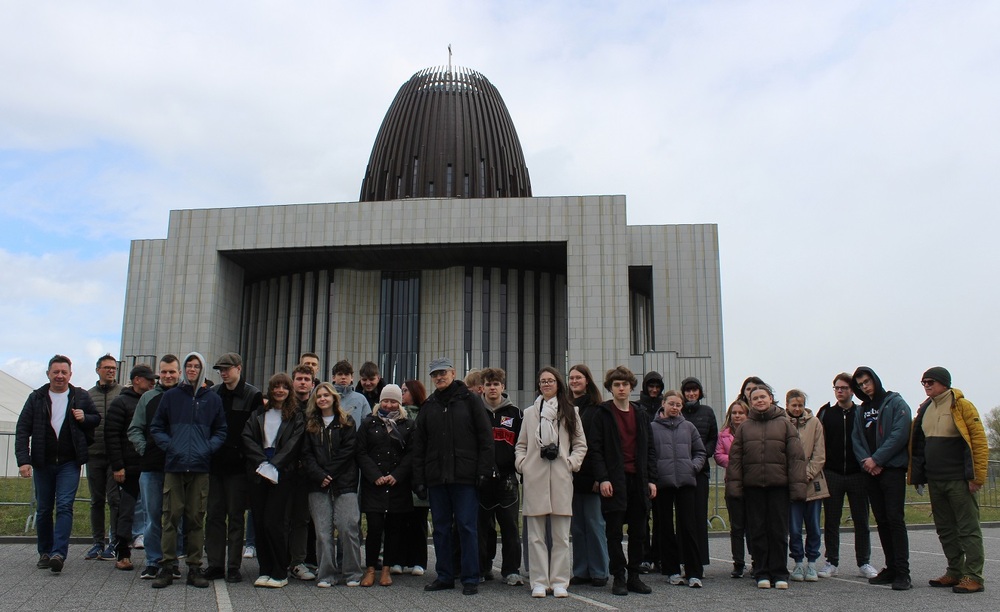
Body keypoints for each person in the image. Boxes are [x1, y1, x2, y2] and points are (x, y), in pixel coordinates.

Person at [412, 358, 495, 596]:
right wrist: (419, 478)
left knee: (467, 527)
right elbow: (419, 446)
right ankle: (445, 576)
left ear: (453, 373)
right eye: (435, 374)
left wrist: (483, 471)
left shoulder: (470, 402)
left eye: (443, 373)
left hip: (466, 478)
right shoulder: (429, 406)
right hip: (437, 479)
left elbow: (485, 438)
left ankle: (470, 578)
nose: (439, 377)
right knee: (440, 529)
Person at [15, 355, 101, 573]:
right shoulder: (36, 398)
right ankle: (44, 551)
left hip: (69, 463)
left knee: (64, 506)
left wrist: (84, 418)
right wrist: (23, 461)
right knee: (44, 509)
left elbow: (96, 419)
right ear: (48, 374)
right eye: (56, 372)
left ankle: (58, 553)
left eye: (64, 372)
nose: (60, 376)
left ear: (70, 375)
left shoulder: (80, 396)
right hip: (42, 463)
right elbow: (23, 429)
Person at [149, 352, 227, 589]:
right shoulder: (171, 397)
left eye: (196, 366)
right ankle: (167, 566)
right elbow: (157, 427)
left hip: (200, 468)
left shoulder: (212, 399)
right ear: (183, 369)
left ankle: (194, 567)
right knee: (170, 517)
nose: (192, 369)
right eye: (189, 366)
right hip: (174, 466)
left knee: (195, 518)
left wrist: (206, 449)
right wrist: (171, 446)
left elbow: (221, 430)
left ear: (202, 370)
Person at [909, 367, 988, 594]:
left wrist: (977, 478)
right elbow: (920, 445)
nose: (926, 385)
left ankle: (974, 576)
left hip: (959, 480)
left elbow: (979, 442)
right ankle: (955, 571)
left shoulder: (962, 405)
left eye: (930, 382)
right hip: (936, 480)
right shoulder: (925, 409)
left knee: (968, 528)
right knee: (945, 529)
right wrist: (919, 475)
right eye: (923, 382)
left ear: (944, 382)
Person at [515, 367, 587, 598]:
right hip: (535, 478)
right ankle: (538, 581)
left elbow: (580, 444)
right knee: (535, 535)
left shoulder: (570, 412)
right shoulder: (529, 413)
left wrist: (570, 463)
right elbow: (521, 445)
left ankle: (559, 581)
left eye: (550, 380)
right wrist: (523, 464)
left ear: (558, 383)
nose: (546, 384)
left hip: (560, 478)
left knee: (560, 536)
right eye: (543, 381)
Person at [726, 383, 806, 590]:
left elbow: (796, 458)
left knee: (779, 531)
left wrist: (798, 488)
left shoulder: (785, 424)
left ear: (770, 398)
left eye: (763, 397)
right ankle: (761, 571)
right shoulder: (745, 427)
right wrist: (735, 488)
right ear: (750, 402)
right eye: (755, 398)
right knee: (757, 531)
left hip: (779, 487)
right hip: (753, 488)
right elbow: (735, 460)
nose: (759, 400)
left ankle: (780, 572)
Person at [589, 366, 657, 597]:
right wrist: (603, 478)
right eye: (616, 384)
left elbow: (650, 449)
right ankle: (618, 576)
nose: (621, 388)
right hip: (614, 481)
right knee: (614, 532)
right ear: (610, 388)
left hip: (638, 481)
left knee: (639, 531)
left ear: (631, 387)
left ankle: (634, 576)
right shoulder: (602, 413)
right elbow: (595, 450)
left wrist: (651, 479)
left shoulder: (641, 414)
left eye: (625, 384)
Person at [851, 366, 912, 591]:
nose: (865, 387)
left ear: (875, 380)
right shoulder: (861, 409)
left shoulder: (895, 403)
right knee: (882, 521)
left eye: (867, 381)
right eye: (861, 385)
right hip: (870, 472)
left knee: (895, 519)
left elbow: (900, 433)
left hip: (892, 470)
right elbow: (856, 438)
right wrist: (867, 462)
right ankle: (891, 567)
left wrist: (877, 459)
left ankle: (903, 573)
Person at [242, 373, 305, 588]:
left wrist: (274, 464)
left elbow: (294, 444)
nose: (280, 390)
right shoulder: (259, 413)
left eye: (284, 387)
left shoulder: (296, 415)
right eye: (276, 386)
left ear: (289, 391)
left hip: (282, 473)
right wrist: (261, 462)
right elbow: (247, 437)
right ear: (270, 389)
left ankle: (280, 571)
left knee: (274, 522)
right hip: (258, 472)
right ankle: (264, 569)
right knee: (259, 522)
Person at [205, 352, 263, 583]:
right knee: (214, 517)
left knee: (236, 517)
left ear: (239, 368)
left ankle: (233, 566)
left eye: (227, 368)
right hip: (215, 466)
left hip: (239, 468)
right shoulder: (213, 394)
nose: (223, 372)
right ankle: (215, 564)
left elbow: (256, 433)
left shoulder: (253, 395)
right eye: (220, 369)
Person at [302, 382, 363, 588]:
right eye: (318, 396)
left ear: (334, 398)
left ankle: (353, 573)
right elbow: (306, 455)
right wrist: (320, 475)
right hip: (317, 484)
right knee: (322, 531)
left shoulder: (347, 422)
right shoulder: (310, 424)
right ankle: (326, 574)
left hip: (344, 483)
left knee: (348, 528)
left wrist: (330, 473)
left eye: (326, 395)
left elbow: (349, 451)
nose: (322, 399)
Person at [816, 372, 876, 579]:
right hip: (832, 473)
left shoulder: (861, 412)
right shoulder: (825, 414)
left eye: (844, 388)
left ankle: (864, 562)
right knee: (831, 520)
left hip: (857, 473)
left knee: (861, 520)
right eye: (837, 388)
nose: (840, 391)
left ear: (852, 390)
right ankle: (831, 561)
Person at [127, 355, 182, 579]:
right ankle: (152, 560)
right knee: (152, 516)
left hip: (178, 468)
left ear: (179, 373)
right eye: (165, 372)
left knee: (175, 517)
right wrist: (145, 449)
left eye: (172, 372)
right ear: (159, 374)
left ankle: (173, 560)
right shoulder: (148, 398)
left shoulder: (185, 397)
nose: (168, 376)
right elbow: (135, 429)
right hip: (151, 468)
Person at [356, 384, 414, 587]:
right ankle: (371, 569)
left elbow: (412, 454)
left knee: (394, 529)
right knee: (374, 528)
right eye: (385, 401)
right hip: (375, 485)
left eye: (393, 401)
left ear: (399, 403)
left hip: (398, 485)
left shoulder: (408, 424)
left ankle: (387, 569)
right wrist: (375, 476)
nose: (389, 405)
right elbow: (361, 452)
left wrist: (396, 475)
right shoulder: (368, 423)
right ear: (380, 401)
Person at [651, 390, 707, 588]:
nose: (675, 407)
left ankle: (694, 572)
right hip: (663, 484)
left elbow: (700, 451)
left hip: (685, 482)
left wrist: (693, 467)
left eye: (678, 404)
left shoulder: (689, 427)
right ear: (663, 404)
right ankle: (671, 570)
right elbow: (648, 454)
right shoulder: (652, 428)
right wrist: (654, 474)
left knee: (688, 527)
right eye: (671, 403)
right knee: (665, 528)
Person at [104, 364, 157, 571]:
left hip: (150, 464)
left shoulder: (153, 400)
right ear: (136, 380)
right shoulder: (121, 403)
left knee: (153, 510)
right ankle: (122, 553)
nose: (153, 382)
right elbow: (112, 436)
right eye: (149, 378)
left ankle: (155, 554)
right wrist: (118, 466)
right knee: (126, 511)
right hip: (128, 467)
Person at [478, 367, 523, 585]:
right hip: (482, 479)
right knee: (483, 527)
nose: (492, 388)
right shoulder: (476, 412)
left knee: (510, 527)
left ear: (503, 387)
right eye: (488, 384)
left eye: (496, 384)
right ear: (482, 388)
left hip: (507, 479)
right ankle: (483, 568)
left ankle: (511, 570)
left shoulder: (515, 413)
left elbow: (522, 446)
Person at [568, 364, 610, 588]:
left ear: (587, 381)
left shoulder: (597, 409)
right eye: (571, 378)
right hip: (571, 476)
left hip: (591, 475)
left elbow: (598, 445)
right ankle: (581, 570)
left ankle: (599, 571)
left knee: (594, 524)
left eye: (578, 378)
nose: (574, 381)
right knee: (577, 527)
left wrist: (599, 476)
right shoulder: (564, 407)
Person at [785, 389, 828, 582]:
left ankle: (812, 562)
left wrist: (807, 474)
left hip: (812, 482)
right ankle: (798, 562)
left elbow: (820, 454)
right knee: (794, 527)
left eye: (800, 405)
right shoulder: (781, 423)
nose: (797, 408)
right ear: (787, 405)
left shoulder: (815, 423)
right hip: (790, 483)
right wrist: (792, 476)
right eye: (793, 405)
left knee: (813, 526)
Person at [85, 354, 122, 561]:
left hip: (115, 457)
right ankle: (97, 543)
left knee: (115, 500)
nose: (110, 371)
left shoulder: (122, 394)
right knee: (96, 500)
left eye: (113, 368)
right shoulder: (87, 396)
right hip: (94, 454)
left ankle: (114, 542)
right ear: (98, 369)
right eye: (107, 367)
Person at [679, 376, 718, 569]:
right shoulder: (679, 412)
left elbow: (713, 438)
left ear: (700, 392)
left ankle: (700, 560)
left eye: (694, 390)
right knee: (684, 517)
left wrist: (703, 456)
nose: (691, 393)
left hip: (701, 470)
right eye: (688, 390)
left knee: (699, 516)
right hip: (681, 471)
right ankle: (683, 558)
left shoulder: (708, 412)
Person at [287, 362, 319, 580]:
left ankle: (298, 562)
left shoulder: (316, 409)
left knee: (301, 519)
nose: (303, 382)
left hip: (306, 473)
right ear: (293, 381)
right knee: (280, 518)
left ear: (312, 383)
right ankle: (281, 560)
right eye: (299, 378)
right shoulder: (283, 406)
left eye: (307, 379)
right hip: (283, 471)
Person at [715, 400, 750, 578]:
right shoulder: (724, 435)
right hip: (733, 482)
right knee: (737, 526)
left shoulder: (753, 432)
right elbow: (719, 455)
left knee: (753, 525)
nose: (737, 416)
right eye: (734, 413)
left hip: (752, 482)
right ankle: (738, 562)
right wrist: (736, 463)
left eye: (740, 413)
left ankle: (757, 560)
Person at [399, 379, 429, 576]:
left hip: (420, 473)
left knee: (419, 520)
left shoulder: (425, 413)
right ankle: (400, 559)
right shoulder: (398, 414)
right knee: (401, 520)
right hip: (401, 473)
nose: (402, 394)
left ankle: (419, 561)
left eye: (405, 391)